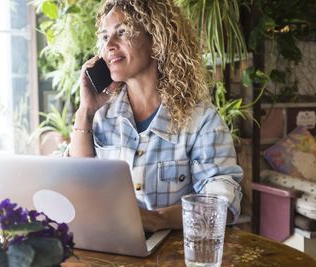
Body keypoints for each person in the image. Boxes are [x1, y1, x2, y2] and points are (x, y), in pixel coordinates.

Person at [69, 0, 243, 232]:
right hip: (108, 245)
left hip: (172, 254)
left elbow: (223, 203)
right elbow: (76, 184)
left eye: (122, 32)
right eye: (104, 37)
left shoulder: (201, 119)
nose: (109, 45)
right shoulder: (100, 115)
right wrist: (85, 112)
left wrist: (158, 219)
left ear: (156, 40)